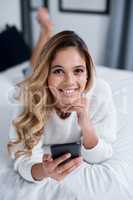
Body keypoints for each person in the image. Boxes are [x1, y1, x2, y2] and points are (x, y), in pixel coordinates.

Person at [8, 26, 117, 185]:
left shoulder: (100, 92)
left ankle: (46, 31)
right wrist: (44, 171)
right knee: (29, 72)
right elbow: (22, 159)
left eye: (78, 70)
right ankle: (45, 31)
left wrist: (86, 126)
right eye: (58, 71)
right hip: (35, 84)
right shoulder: (27, 96)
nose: (69, 82)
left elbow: (101, 155)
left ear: (87, 73)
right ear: (46, 74)